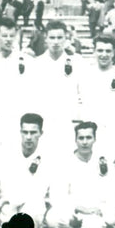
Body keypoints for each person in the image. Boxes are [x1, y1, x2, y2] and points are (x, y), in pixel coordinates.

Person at [46, 122, 115, 228]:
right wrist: (79, 208)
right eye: (81, 138)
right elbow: (58, 195)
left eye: (88, 138)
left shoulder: (103, 161)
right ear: (75, 140)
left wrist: (99, 208)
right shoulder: (65, 163)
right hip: (72, 209)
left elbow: (112, 190)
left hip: (95, 210)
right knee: (53, 218)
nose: (84, 142)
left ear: (94, 139)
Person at [30, 20, 83, 155]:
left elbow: (83, 95)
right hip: (44, 124)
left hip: (68, 123)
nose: (56, 42)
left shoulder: (78, 62)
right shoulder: (36, 64)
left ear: (66, 38)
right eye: (52, 37)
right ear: (45, 38)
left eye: (60, 38)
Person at [78, 35, 115, 160]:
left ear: (114, 53)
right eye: (100, 50)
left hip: (114, 132)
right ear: (94, 51)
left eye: (108, 51)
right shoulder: (85, 74)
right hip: (90, 133)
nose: (104, 54)